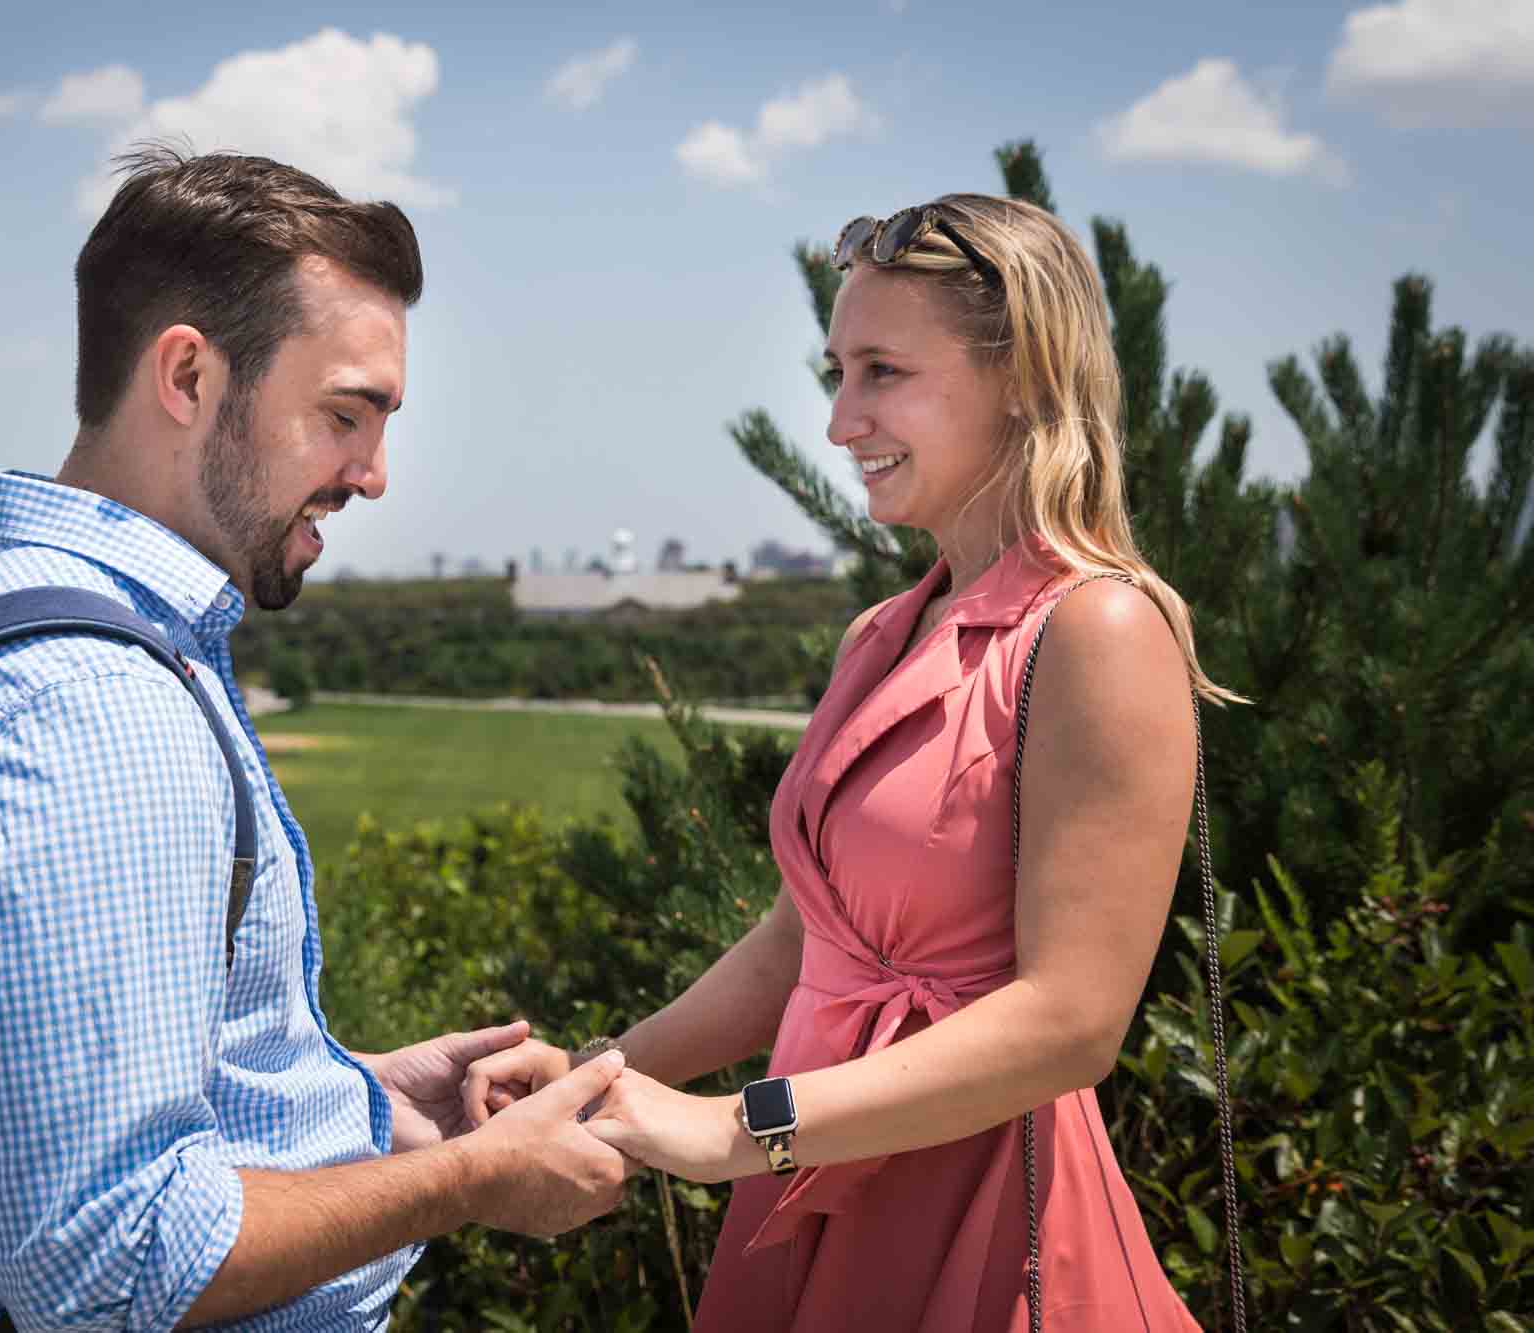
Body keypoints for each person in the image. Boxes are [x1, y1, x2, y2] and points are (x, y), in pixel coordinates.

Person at [0, 146, 632, 1333]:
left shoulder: (22, 620)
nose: (370, 475)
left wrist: (349, 1098)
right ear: (188, 375)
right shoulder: (88, 714)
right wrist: (469, 1180)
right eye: (342, 415)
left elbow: (70, 1109)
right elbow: (106, 1270)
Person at [466, 195, 1240, 1330]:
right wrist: (599, 1077)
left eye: (881, 370)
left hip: (979, 1219)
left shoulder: (1098, 631)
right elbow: (799, 942)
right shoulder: (880, 635)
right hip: (818, 1190)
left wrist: (733, 1130)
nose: (839, 421)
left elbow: (1073, 1020)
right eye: (836, 370)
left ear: (1021, 374)